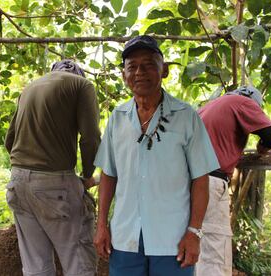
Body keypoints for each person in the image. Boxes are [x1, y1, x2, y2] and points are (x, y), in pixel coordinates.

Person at [93, 35, 220, 275]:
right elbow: (108, 175)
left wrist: (194, 232)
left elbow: (200, 179)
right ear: (124, 75)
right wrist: (101, 225)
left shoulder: (186, 117)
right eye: (132, 66)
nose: (140, 72)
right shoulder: (117, 119)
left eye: (149, 64)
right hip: (125, 238)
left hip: (173, 240)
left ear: (165, 71)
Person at [4, 59, 101, 276]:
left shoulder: (30, 87)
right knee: (79, 262)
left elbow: (9, 141)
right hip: (55, 186)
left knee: (36, 267)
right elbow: (90, 138)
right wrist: (87, 176)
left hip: (17, 183)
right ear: (79, 74)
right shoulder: (82, 85)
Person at [196, 86, 271, 276]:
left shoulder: (209, 106)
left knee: (195, 242)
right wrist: (263, 145)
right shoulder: (243, 103)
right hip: (209, 181)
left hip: (186, 179)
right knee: (214, 247)